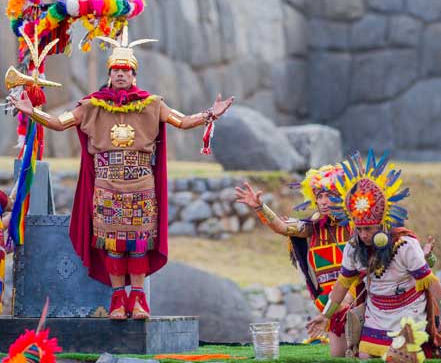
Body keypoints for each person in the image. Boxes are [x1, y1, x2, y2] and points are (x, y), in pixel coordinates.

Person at [8, 26, 234, 320]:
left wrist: (209, 115)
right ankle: (117, 300)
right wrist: (31, 111)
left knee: (138, 243)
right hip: (106, 185)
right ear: (109, 73)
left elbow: (182, 121)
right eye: (116, 69)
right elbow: (59, 122)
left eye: (126, 70)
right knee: (113, 244)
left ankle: (138, 301)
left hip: (141, 185)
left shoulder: (153, 105)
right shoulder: (90, 106)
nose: (120, 74)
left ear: (134, 75)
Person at [306, 151, 441, 359]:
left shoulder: (404, 244)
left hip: (410, 311)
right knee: (365, 357)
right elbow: (341, 285)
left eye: (369, 229)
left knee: (399, 357)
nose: (363, 235)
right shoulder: (353, 248)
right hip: (377, 312)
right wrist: (324, 315)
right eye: (360, 229)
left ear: (382, 225)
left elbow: (430, 281)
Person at [235, 164, 354, 357]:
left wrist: (338, 304)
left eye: (329, 195)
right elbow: (282, 227)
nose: (323, 201)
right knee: (338, 356)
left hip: (358, 299)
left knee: (363, 354)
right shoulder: (312, 227)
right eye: (319, 196)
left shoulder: (359, 228)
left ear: (343, 196)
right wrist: (259, 206)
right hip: (328, 302)